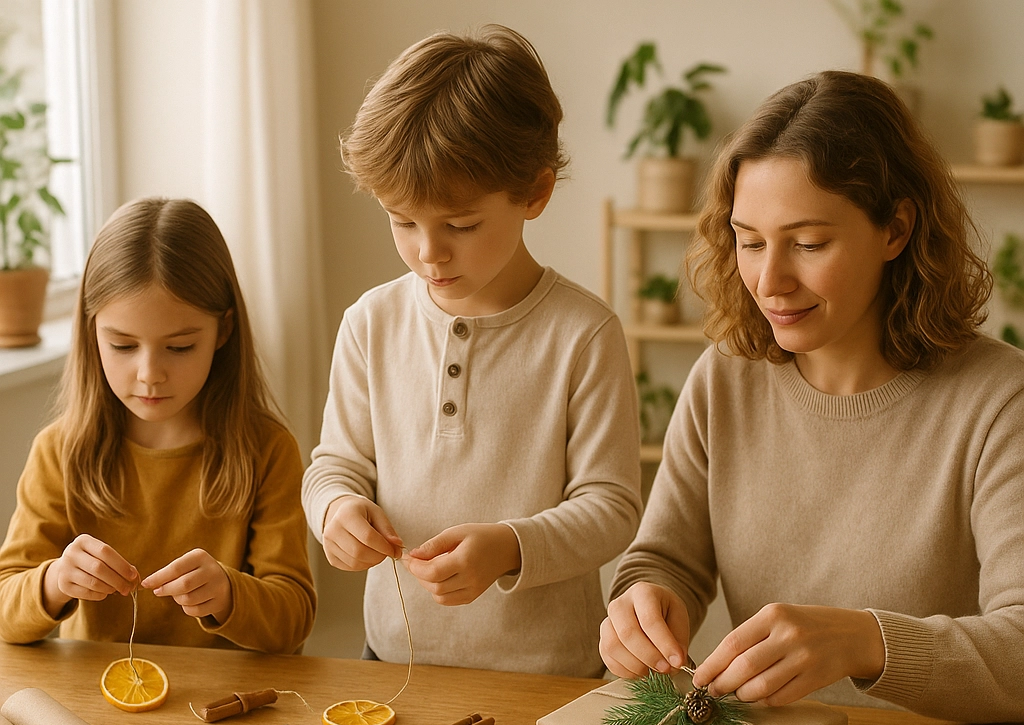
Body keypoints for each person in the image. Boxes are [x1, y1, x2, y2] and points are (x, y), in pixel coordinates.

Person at [600, 70, 1024, 722]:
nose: (770, 281)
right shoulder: (724, 379)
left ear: (896, 230)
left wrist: (866, 642)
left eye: (808, 243)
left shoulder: (1000, 401)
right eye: (749, 241)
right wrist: (644, 602)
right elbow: (665, 559)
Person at [303, 25, 642, 677]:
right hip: (393, 657)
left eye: (460, 225)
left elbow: (612, 508)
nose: (429, 251)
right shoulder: (370, 323)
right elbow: (335, 464)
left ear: (535, 193)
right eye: (402, 221)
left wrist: (511, 547)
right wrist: (335, 511)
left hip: (548, 671)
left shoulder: (584, 334)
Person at [0, 198, 316, 654]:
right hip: (99, 692)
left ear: (223, 330)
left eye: (180, 347)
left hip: (228, 694)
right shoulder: (60, 451)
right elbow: (7, 609)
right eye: (123, 346)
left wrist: (229, 595)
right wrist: (54, 581)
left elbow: (294, 619)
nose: (150, 374)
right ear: (92, 332)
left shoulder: (267, 449)